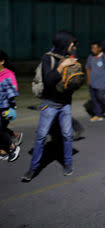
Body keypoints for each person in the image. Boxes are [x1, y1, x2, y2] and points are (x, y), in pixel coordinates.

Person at [22, 31, 78, 181]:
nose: (73, 46)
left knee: (67, 136)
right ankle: (32, 169)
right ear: (63, 43)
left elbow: (72, 81)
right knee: (41, 137)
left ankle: (68, 164)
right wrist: (62, 66)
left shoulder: (69, 58)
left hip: (65, 104)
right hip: (49, 105)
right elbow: (49, 80)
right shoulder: (48, 58)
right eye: (70, 43)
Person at [86, 41, 105, 122]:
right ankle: (98, 114)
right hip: (92, 82)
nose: (93, 50)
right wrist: (88, 80)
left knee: (100, 97)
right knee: (94, 99)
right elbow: (88, 69)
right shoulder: (90, 57)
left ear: (99, 48)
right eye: (92, 48)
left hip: (102, 82)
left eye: (95, 48)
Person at [0, 50, 21, 162]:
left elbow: (13, 91)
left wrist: (11, 108)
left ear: (2, 61)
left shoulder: (8, 75)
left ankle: (13, 148)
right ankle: (3, 151)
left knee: (0, 129)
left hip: (5, 108)